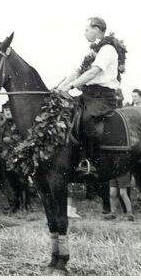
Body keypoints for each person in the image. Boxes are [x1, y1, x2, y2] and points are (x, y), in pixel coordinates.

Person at [57, 17, 126, 175]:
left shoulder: (107, 49)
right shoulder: (93, 51)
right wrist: (59, 87)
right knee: (70, 114)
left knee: (86, 118)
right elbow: (77, 71)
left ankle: (92, 161)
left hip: (103, 97)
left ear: (96, 29)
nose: (84, 33)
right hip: (89, 95)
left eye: (87, 29)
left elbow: (94, 72)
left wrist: (72, 86)